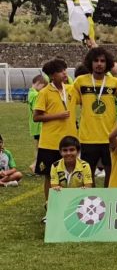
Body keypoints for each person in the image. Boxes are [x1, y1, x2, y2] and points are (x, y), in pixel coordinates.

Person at [72, 47, 117, 187]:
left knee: (111, 169)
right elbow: (72, 101)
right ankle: (93, 196)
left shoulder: (115, 83)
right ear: (90, 62)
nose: (99, 64)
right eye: (96, 60)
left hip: (110, 135)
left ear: (108, 63)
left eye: (103, 61)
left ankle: (107, 195)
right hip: (88, 136)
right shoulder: (80, 81)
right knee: (89, 172)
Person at [33, 58, 77, 217]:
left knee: (71, 173)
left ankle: (69, 206)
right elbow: (36, 117)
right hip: (50, 142)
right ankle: (50, 207)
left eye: (65, 69)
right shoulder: (44, 92)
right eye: (60, 71)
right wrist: (57, 115)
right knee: (49, 176)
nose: (65, 73)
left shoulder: (71, 89)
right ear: (52, 75)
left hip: (70, 140)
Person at [27, 74, 48, 173]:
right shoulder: (36, 95)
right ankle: (35, 165)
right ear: (39, 84)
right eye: (43, 87)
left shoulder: (30, 93)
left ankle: (35, 165)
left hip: (35, 127)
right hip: (39, 126)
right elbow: (38, 110)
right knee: (41, 147)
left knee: (38, 146)